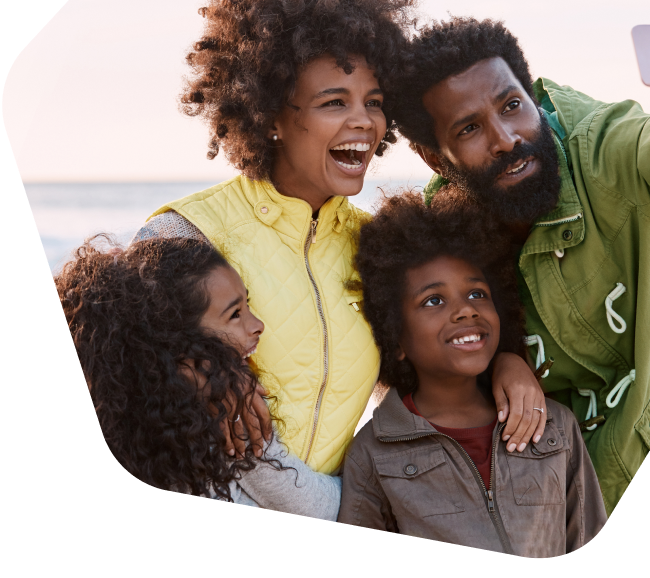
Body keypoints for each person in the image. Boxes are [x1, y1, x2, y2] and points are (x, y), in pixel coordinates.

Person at [132, 0, 546, 476]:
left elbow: (426, 367)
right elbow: (124, 380)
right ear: (269, 117)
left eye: (373, 102)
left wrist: (506, 363)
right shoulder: (186, 233)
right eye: (334, 102)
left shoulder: (377, 248)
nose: (365, 123)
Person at [391, 8, 650, 514]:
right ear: (436, 160)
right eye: (469, 129)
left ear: (532, 96)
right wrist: (500, 360)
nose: (506, 137)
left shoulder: (607, 150)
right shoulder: (441, 244)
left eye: (511, 105)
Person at [338, 192, 606, 556]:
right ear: (395, 337)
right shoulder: (371, 454)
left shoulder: (556, 426)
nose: (465, 310)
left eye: (478, 293)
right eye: (434, 300)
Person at [57, 236, 341, 519]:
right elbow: (316, 507)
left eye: (248, 305)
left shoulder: (131, 419)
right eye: (234, 315)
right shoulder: (226, 415)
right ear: (178, 341)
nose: (258, 325)